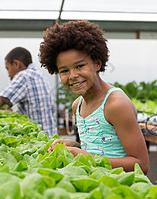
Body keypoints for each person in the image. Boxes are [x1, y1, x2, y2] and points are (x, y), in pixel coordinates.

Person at [38, 20, 149, 174]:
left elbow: (141, 164)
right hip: (96, 183)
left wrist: (85, 157)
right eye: (64, 71)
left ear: (97, 64)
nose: (73, 76)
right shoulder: (78, 105)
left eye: (80, 66)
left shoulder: (115, 104)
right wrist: (75, 146)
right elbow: (96, 148)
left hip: (122, 190)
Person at [0, 47, 57, 136]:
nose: (8, 74)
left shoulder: (24, 76)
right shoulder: (38, 75)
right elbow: (36, 109)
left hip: (39, 138)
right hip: (51, 136)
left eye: (8, 69)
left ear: (16, 64)